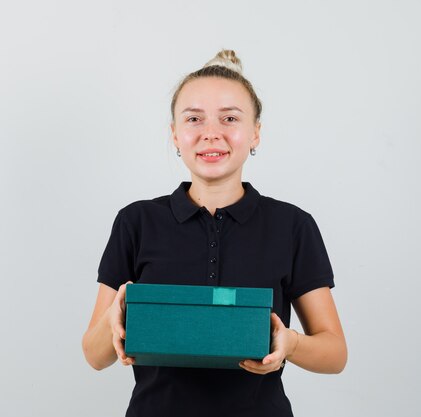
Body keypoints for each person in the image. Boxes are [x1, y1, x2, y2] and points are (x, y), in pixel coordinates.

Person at [82, 49, 347, 417]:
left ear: (255, 133)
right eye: (194, 119)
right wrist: (118, 313)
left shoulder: (292, 225)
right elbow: (94, 356)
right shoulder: (136, 222)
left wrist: (291, 343)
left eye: (229, 118)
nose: (211, 133)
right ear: (174, 134)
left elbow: (335, 354)